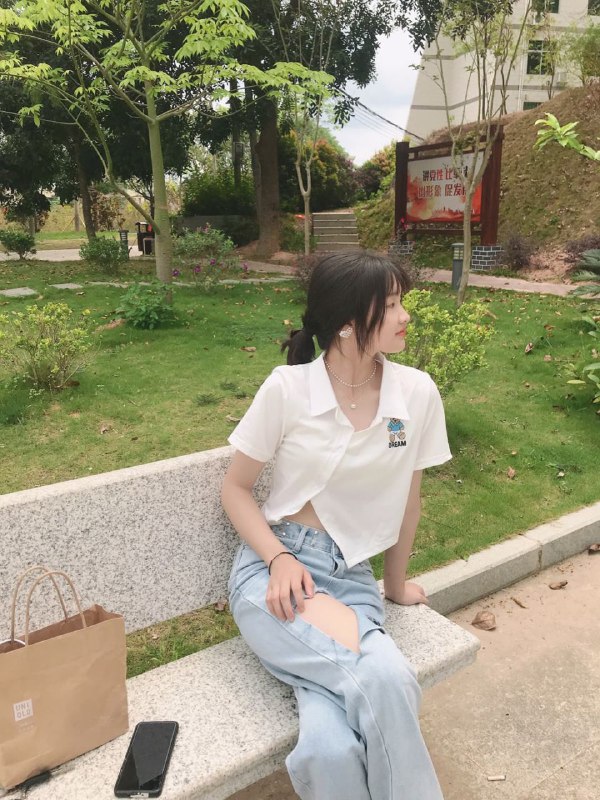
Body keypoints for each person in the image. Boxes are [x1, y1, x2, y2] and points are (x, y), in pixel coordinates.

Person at [221, 250, 452, 800]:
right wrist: (279, 558)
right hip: (277, 578)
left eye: (402, 302)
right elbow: (235, 489)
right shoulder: (289, 388)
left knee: (329, 750)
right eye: (390, 305)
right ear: (348, 323)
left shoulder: (416, 393)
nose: (405, 316)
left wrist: (394, 586)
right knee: (386, 677)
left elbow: (409, 500)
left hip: (351, 580)